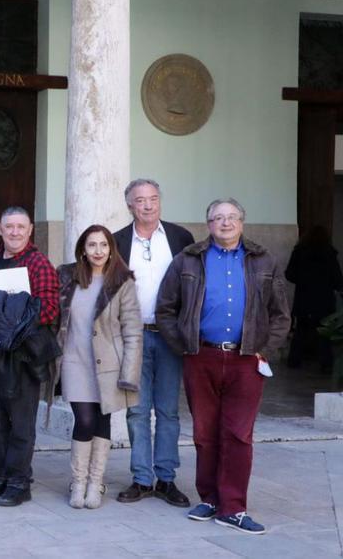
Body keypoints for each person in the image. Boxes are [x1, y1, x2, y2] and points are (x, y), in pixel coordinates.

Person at [156, 198, 290, 535]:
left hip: (247, 359)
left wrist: (265, 350)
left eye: (231, 217)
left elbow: (280, 314)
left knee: (238, 434)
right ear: (209, 224)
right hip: (202, 357)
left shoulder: (263, 260)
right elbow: (166, 309)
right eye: (218, 218)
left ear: (242, 222)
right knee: (204, 433)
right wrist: (184, 346)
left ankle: (234, 507)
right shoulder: (189, 259)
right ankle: (211, 498)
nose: (225, 223)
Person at [111, 178, 195, 506]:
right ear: (130, 205)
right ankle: (142, 479)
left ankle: (167, 479)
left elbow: (193, 285)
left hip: (170, 337)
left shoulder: (180, 238)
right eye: (140, 200)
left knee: (168, 411)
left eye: (153, 199)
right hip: (133, 337)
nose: (148, 205)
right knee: (137, 411)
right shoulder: (117, 241)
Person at [0, 206, 60, 507]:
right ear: (0, 228)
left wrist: (13, 321)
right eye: (10, 227)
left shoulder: (39, 263)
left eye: (21, 227)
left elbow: (48, 309)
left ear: (30, 229)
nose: (15, 232)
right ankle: (1, 475)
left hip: (21, 355)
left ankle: (20, 482)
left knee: (21, 421)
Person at [55, 224, 142, 509]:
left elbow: (132, 330)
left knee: (102, 419)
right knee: (85, 419)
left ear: (111, 248)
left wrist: (129, 373)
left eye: (103, 245)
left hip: (108, 364)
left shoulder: (122, 282)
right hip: (74, 360)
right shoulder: (67, 277)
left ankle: (96, 482)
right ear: (83, 248)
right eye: (92, 245)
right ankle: (78, 481)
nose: (98, 251)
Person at [284, 225, 343, 372]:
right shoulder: (329, 253)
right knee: (325, 333)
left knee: (301, 331)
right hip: (324, 300)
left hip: (304, 298)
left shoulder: (299, 252)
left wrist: (303, 280)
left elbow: (289, 274)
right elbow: (337, 278)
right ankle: (326, 364)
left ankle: (294, 361)